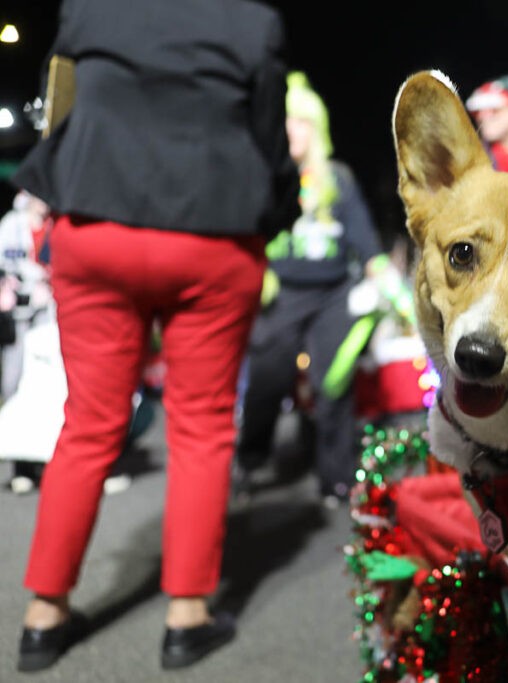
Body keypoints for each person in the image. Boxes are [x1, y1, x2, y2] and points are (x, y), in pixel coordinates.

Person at [11, 0, 299, 672]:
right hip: (213, 231)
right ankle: (186, 615)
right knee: (199, 426)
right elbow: (269, 137)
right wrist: (278, 209)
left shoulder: (91, 10)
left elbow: (59, 109)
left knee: (86, 425)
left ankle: (44, 616)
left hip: (97, 223)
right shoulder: (251, 22)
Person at [234, 72, 385, 508]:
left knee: (333, 380)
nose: (290, 130)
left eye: (299, 122)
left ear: (315, 128)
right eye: (285, 122)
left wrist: (385, 281)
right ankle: (251, 457)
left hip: (334, 290)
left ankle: (335, 478)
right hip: (282, 291)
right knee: (268, 376)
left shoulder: (337, 176)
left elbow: (363, 237)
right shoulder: (266, 175)